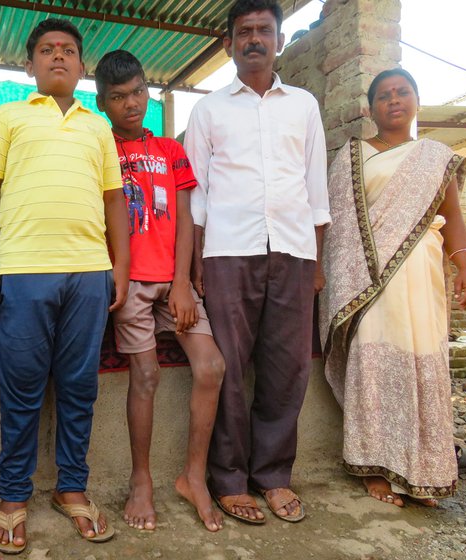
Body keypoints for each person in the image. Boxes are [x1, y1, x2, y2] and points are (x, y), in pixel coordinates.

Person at [0, 18, 130, 555]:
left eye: (67, 50)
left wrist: (119, 268)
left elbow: (112, 202)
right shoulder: (10, 116)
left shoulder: (97, 127)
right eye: (46, 50)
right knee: (22, 388)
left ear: (82, 66)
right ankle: (12, 498)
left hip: (88, 272)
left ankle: (71, 488)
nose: (57, 57)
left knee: (80, 386)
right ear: (29, 64)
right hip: (23, 273)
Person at [184, 0, 329, 524]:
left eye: (263, 31)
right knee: (232, 369)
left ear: (279, 40)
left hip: (293, 249)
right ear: (228, 44)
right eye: (243, 32)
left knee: (286, 369)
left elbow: (315, 185)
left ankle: (273, 476)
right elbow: (195, 191)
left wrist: (316, 260)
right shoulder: (209, 110)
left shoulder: (304, 105)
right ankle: (227, 478)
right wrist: (196, 258)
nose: (253, 40)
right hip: (227, 251)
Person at [319, 68, 466, 508]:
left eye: (402, 92)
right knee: (375, 360)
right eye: (384, 95)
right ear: (369, 108)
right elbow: (341, 228)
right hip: (369, 283)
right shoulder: (352, 157)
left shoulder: (433, 156)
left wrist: (465, 267)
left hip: (422, 277)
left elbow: (453, 215)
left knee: (423, 364)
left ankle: (424, 471)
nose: (394, 100)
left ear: (416, 100)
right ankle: (375, 468)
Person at [94, 50, 226, 533]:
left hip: (174, 283)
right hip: (127, 283)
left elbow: (188, 219)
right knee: (145, 375)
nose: (131, 104)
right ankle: (141, 480)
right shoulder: (100, 145)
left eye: (137, 93)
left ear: (147, 90)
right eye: (118, 97)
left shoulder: (171, 149)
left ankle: (194, 477)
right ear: (102, 102)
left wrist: (184, 282)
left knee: (212, 366)